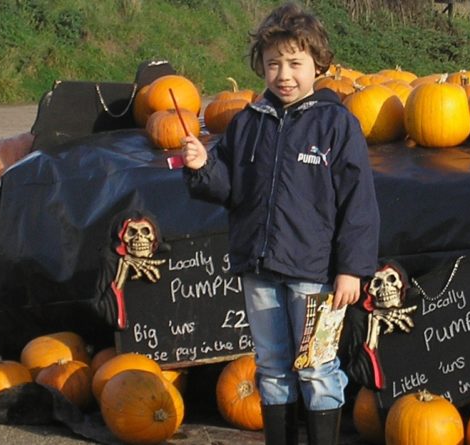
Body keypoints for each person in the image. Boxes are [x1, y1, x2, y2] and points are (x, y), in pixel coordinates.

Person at [180, 2, 380, 444]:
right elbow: (228, 187)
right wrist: (200, 167)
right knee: (271, 365)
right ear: (261, 68)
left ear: (318, 65)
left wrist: (352, 268)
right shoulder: (247, 123)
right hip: (259, 267)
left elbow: (359, 203)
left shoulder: (337, 125)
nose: (284, 74)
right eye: (274, 64)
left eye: (295, 63)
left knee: (316, 367)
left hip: (316, 275)